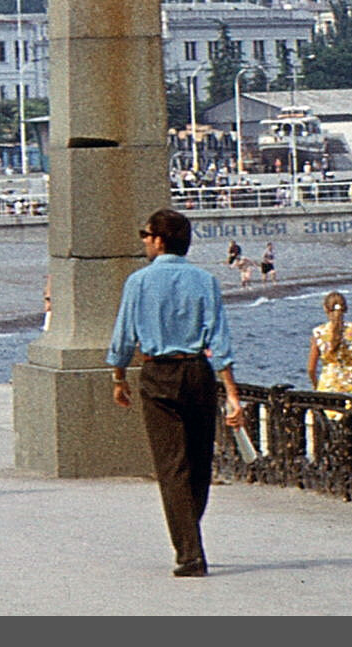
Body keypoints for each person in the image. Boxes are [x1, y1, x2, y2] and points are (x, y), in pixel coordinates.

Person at [107, 208, 246, 578]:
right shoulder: (205, 281)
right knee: (199, 463)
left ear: (160, 239)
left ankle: (188, 551)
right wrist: (233, 394)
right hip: (198, 372)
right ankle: (190, 540)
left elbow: (123, 338)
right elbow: (220, 340)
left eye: (145, 234)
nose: (143, 240)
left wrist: (118, 378)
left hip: (157, 374)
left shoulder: (138, 282)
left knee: (172, 467)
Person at [307, 291, 352, 397]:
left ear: (325, 309)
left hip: (328, 386)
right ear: (345, 309)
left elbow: (311, 369)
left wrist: (316, 386)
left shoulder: (319, 333)